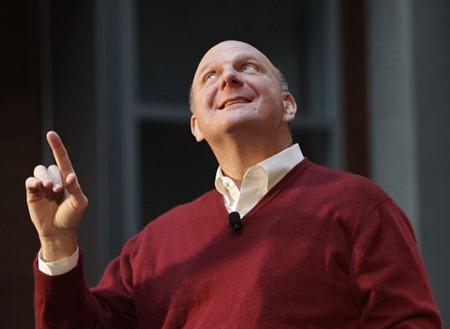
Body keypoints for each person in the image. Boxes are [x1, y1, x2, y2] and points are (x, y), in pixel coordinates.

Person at [26, 40, 442, 328]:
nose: (228, 78)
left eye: (247, 67)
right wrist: (57, 245)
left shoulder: (359, 207)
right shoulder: (152, 246)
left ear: (288, 104)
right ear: (196, 127)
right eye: (210, 76)